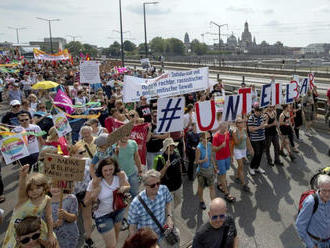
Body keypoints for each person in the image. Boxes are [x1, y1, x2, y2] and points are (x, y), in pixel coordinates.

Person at [3, 165, 57, 248]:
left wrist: (50, 234)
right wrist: (23, 175)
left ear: (44, 186)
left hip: (34, 226)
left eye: (38, 187)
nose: (34, 191)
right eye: (31, 189)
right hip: (19, 228)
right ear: (26, 190)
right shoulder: (23, 199)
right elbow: (21, 187)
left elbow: (49, 216)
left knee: (52, 243)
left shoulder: (47, 199)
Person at [85, 157, 130, 248]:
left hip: (118, 211)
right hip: (103, 216)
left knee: (116, 239)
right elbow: (86, 202)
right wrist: (94, 194)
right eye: (105, 170)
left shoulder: (120, 175)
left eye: (111, 169)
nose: (108, 172)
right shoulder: (94, 182)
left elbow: (128, 186)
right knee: (111, 245)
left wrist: (124, 188)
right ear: (100, 170)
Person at [127, 169, 179, 248]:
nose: (156, 187)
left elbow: (168, 202)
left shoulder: (164, 189)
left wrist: (169, 217)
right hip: (147, 240)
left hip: (163, 233)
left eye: (158, 183)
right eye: (152, 185)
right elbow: (132, 227)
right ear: (145, 185)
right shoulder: (136, 204)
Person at [296, 175, 330, 248]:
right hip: (315, 243)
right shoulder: (311, 202)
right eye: (324, 190)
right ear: (319, 188)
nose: (327, 194)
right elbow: (300, 225)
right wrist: (311, 245)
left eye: (329, 190)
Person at [155, 137, 183, 210]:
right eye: (169, 146)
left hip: (178, 186)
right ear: (166, 148)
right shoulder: (161, 159)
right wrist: (165, 167)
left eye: (173, 146)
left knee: (179, 201)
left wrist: (181, 175)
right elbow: (159, 176)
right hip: (168, 189)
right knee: (170, 211)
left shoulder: (176, 154)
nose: (172, 148)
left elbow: (180, 165)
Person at [49, 182, 79, 248]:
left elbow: (74, 217)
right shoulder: (46, 203)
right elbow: (45, 225)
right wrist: (55, 225)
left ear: (63, 186)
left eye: (58, 186)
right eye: (53, 187)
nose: (55, 189)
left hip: (71, 236)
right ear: (49, 187)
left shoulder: (71, 198)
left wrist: (66, 215)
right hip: (56, 240)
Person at [212, 122, 235, 202]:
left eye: (226, 125)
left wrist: (231, 155)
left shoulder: (227, 134)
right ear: (220, 126)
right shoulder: (215, 136)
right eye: (223, 125)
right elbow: (214, 149)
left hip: (227, 157)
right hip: (220, 158)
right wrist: (221, 146)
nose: (225, 127)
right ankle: (227, 193)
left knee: (223, 172)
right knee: (223, 176)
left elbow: (229, 145)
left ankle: (219, 181)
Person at [114, 134, 142, 199]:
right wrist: (115, 151)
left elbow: (136, 157)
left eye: (127, 135)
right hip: (119, 176)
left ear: (129, 136)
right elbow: (110, 161)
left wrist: (140, 170)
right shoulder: (113, 146)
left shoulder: (133, 143)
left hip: (132, 173)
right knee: (121, 197)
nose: (125, 137)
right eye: (123, 135)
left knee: (135, 193)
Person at [195, 132, 216, 210]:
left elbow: (211, 157)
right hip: (201, 172)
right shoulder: (198, 148)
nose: (208, 140)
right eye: (206, 138)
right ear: (202, 138)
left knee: (212, 187)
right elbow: (196, 161)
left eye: (209, 138)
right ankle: (201, 201)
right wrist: (204, 160)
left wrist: (214, 166)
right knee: (201, 187)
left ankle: (213, 204)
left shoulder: (210, 145)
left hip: (210, 170)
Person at [232, 117, 254, 192]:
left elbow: (247, 139)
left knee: (240, 166)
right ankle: (244, 184)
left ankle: (237, 176)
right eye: (240, 122)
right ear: (237, 124)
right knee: (241, 166)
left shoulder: (244, 129)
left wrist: (251, 148)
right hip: (237, 150)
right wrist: (240, 138)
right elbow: (236, 143)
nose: (242, 123)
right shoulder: (235, 132)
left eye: (242, 122)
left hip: (243, 150)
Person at [247, 105, 266, 175]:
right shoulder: (251, 118)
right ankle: (251, 167)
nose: (259, 113)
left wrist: (265, 125)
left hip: (262, 138)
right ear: (255, 111)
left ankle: (257, 167)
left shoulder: (262, 117)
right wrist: (260, 127)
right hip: (255, 139)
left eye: (260, 112)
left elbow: (264, 124)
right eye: (257, 111)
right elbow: (250, 129)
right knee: (256, 153)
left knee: (260, 154)